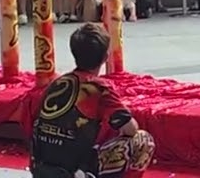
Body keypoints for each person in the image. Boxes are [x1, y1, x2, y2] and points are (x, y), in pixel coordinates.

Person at [30, 23, 154, 178]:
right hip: (74, 171)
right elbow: (130, 129)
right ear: (105, 57)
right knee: (143, 140)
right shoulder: (99, 88)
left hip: (42, 168)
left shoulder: (56, 83)